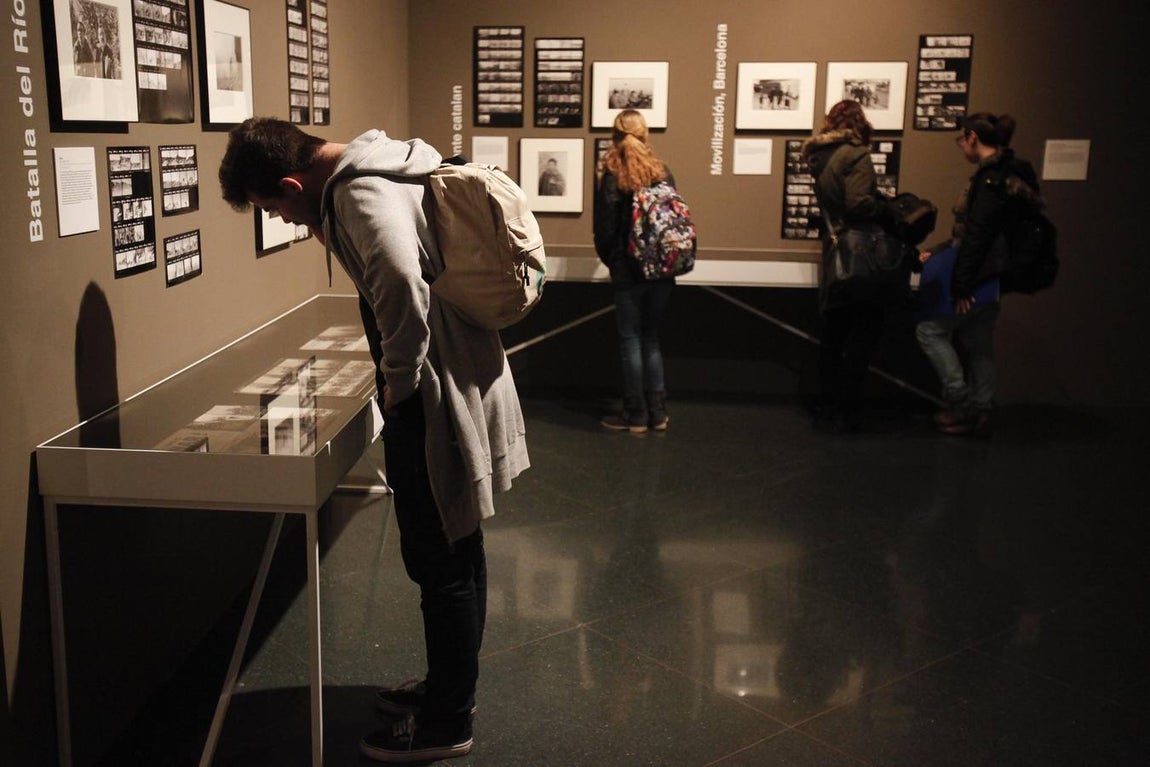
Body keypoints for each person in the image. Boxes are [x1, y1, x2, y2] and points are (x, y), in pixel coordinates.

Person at [219, 118, 530, 763]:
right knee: (456, 540)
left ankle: (447, 721)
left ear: (290, 181)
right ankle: (450, 688)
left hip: (434, 391)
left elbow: (400, 282)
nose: (278, 220)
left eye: (272, 207)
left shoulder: (357, 193)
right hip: (458, 370)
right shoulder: (390, 165)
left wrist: (397, 384)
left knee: (439, 555)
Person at [914, 113, 1040, 437]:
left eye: (961, 140)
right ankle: (981, 409)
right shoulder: (1009, 174)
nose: (962, 147)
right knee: (978, 339)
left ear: (971, 137)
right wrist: (942, 250)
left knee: (929, 331)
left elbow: (978, 236)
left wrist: (962, 285)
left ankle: (961, 404)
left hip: (977, 274)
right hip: (994, 275)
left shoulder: (989, 180)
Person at [801, 100, 896, 433]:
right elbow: (859, 203)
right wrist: (887, 207)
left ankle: (827, 404)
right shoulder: (856, 154)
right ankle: (849, 407)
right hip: (861, 254)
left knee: (834, 334)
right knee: (862, 333)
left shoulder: (821, 157)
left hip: (836, 250)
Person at [593, 109, 677, 433]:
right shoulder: (662, 171)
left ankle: (635, 414)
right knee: (651, 338)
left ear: (614, 137)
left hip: (628, 271)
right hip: (662, 271)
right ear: (645, 135)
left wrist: (612, 260)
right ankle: (659, 413)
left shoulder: (613, 174)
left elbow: (605, 228)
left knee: (630, 339)